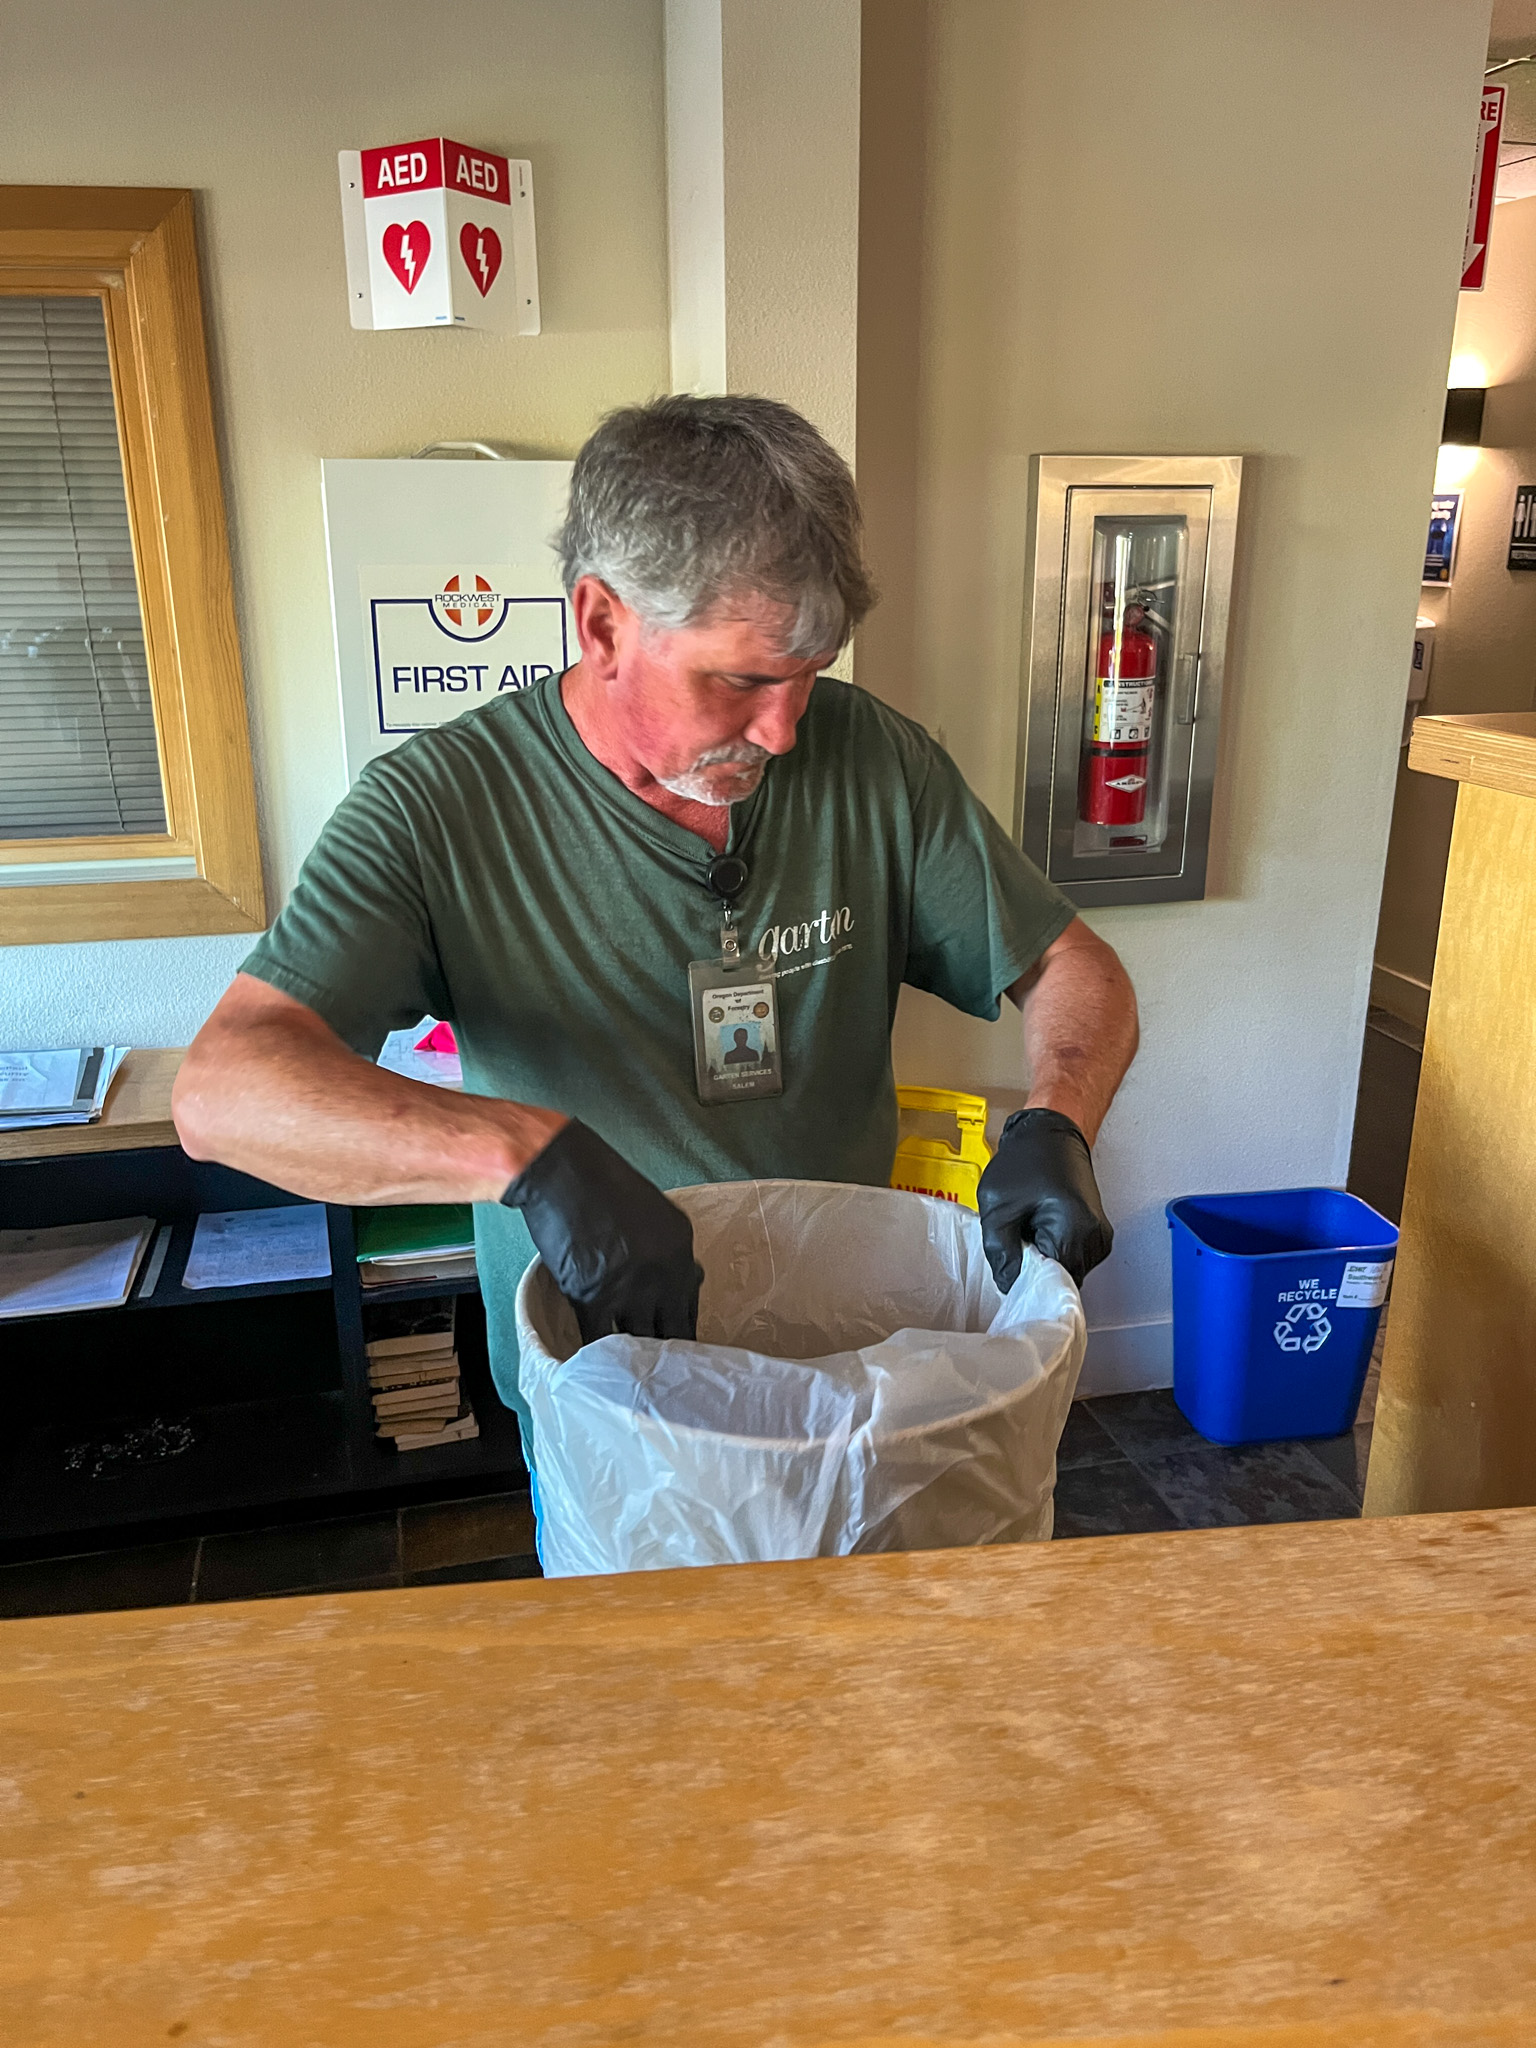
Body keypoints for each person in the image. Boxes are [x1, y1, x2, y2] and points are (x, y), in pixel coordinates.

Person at [173, 394, 1138, 1452]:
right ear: (601, 623)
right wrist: (531, 1156)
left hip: (848, 1379)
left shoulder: (877, 762)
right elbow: (225, 1092)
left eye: (809, 675)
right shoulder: (437, 806)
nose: (783, 726)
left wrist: (1057, 1118)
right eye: (741, 678)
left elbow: (1070, 964)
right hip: (609, 1392)